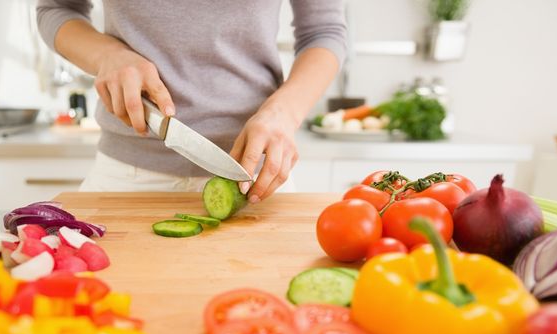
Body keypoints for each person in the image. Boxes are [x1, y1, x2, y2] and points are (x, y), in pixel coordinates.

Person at [37, 0, 347, 203]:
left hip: (254, 178)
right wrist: (107, 55)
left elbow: (324, 31)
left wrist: (284, 113)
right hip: (125, 178)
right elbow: (56, 9)